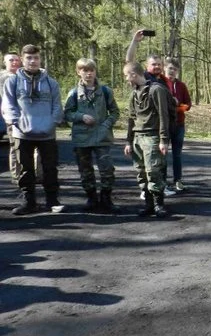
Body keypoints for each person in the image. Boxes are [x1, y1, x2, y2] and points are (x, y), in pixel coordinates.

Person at [2, 45, 63, 215]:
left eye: (36, 58)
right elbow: (8, 104)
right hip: (22, 133)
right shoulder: (12, 82)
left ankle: (52, 201)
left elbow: (57, 105)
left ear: (40, 59)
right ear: (22, 59)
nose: (33, 61)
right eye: (29, 58)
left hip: (47, 133)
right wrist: (16, 122)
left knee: (50, 168)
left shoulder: (51, 83)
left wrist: (53, 122)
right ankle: (29, 202)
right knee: (25, 168)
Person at [64, 58, 121, 212]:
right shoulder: (74, 93)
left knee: (107, 169)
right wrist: (81, 117)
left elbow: (115, 112)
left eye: (91, 70)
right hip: (82, 138)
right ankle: (91, 198)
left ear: (95, 72)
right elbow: (68, 113)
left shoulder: (105, 91)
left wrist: (106, 125)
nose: (88, 74)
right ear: (78, 72)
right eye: (85, 70)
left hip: (102, 137)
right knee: (85, 170)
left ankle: (106, 199)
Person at [123, 61, 171, 218]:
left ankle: (159, 205)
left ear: (133, 74)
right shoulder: (134, 94)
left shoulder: (156, 90)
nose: (126, 79)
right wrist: (129, 141)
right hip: (138, 137)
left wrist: (164, 140)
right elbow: (131, 119)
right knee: (141, 173)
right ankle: (148, 204)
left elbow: (164, 116)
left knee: (154, 172)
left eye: (126, 76)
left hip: (152, 136)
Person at [164, 57, 191, 192]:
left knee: (177, 154)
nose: (172, 71)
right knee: (162, 153)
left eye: (175, 69)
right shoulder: (160, 84)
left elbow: (188, 104)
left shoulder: (182, 86)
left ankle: (177, 180)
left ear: (178, 71)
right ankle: (162, 181)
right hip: (164, 125)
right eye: (170, 68)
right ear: (165, 69)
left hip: (179, 124)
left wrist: (178, 108)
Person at [0, 53, 23, 181]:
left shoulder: (19, 76)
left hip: (24, 116)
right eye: (11, 60)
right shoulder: (5, 77)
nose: (14, 62)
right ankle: (16, 174)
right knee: (14, 146)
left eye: (16, 60)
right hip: (12, 116)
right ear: (5, 62)